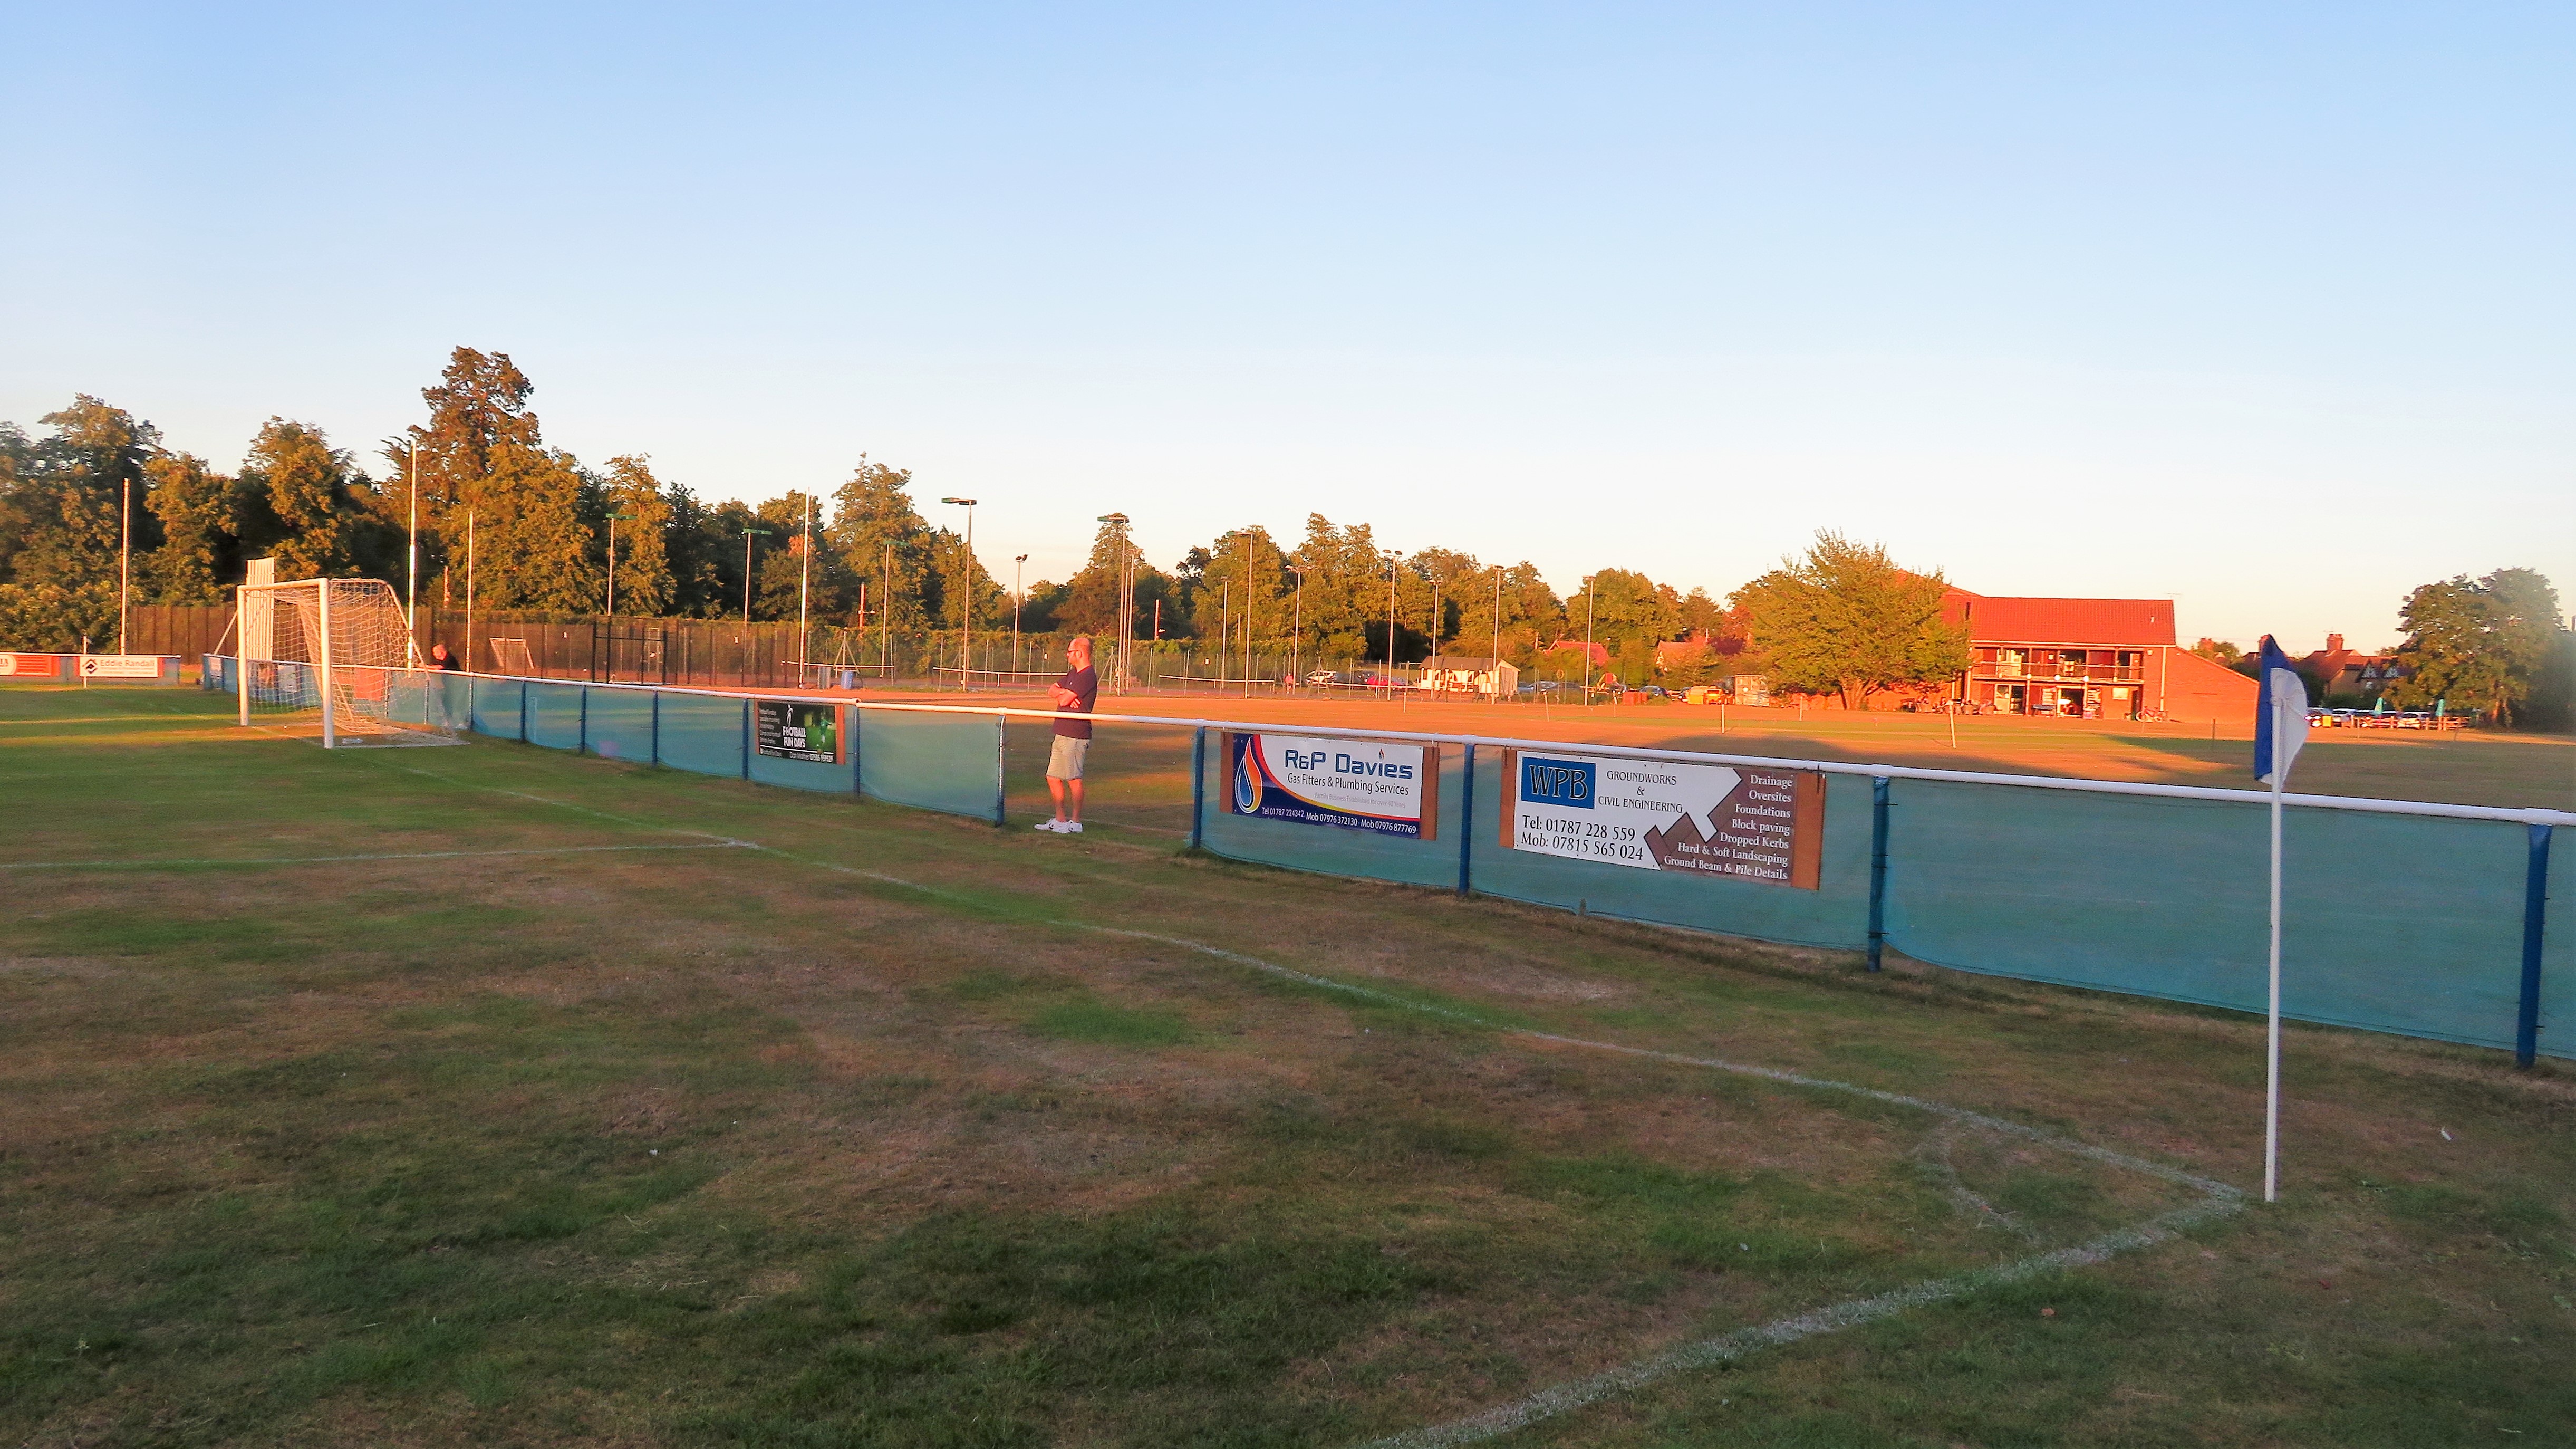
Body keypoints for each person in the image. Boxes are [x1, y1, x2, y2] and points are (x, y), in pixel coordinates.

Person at [1038, 635, 1097, 834]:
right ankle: (1060, 820)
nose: (1067, 655)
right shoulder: (1073, 674)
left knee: (1073, 778)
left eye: (1070, 652)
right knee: (1053, 776)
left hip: (1076, 734)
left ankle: (1076, 822)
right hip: (1061, 731)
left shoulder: (1088, 675)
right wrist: (1063, 694)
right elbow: (1052, 690)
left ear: (1080, 653)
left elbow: (1064, 701)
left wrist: (1065, 696)